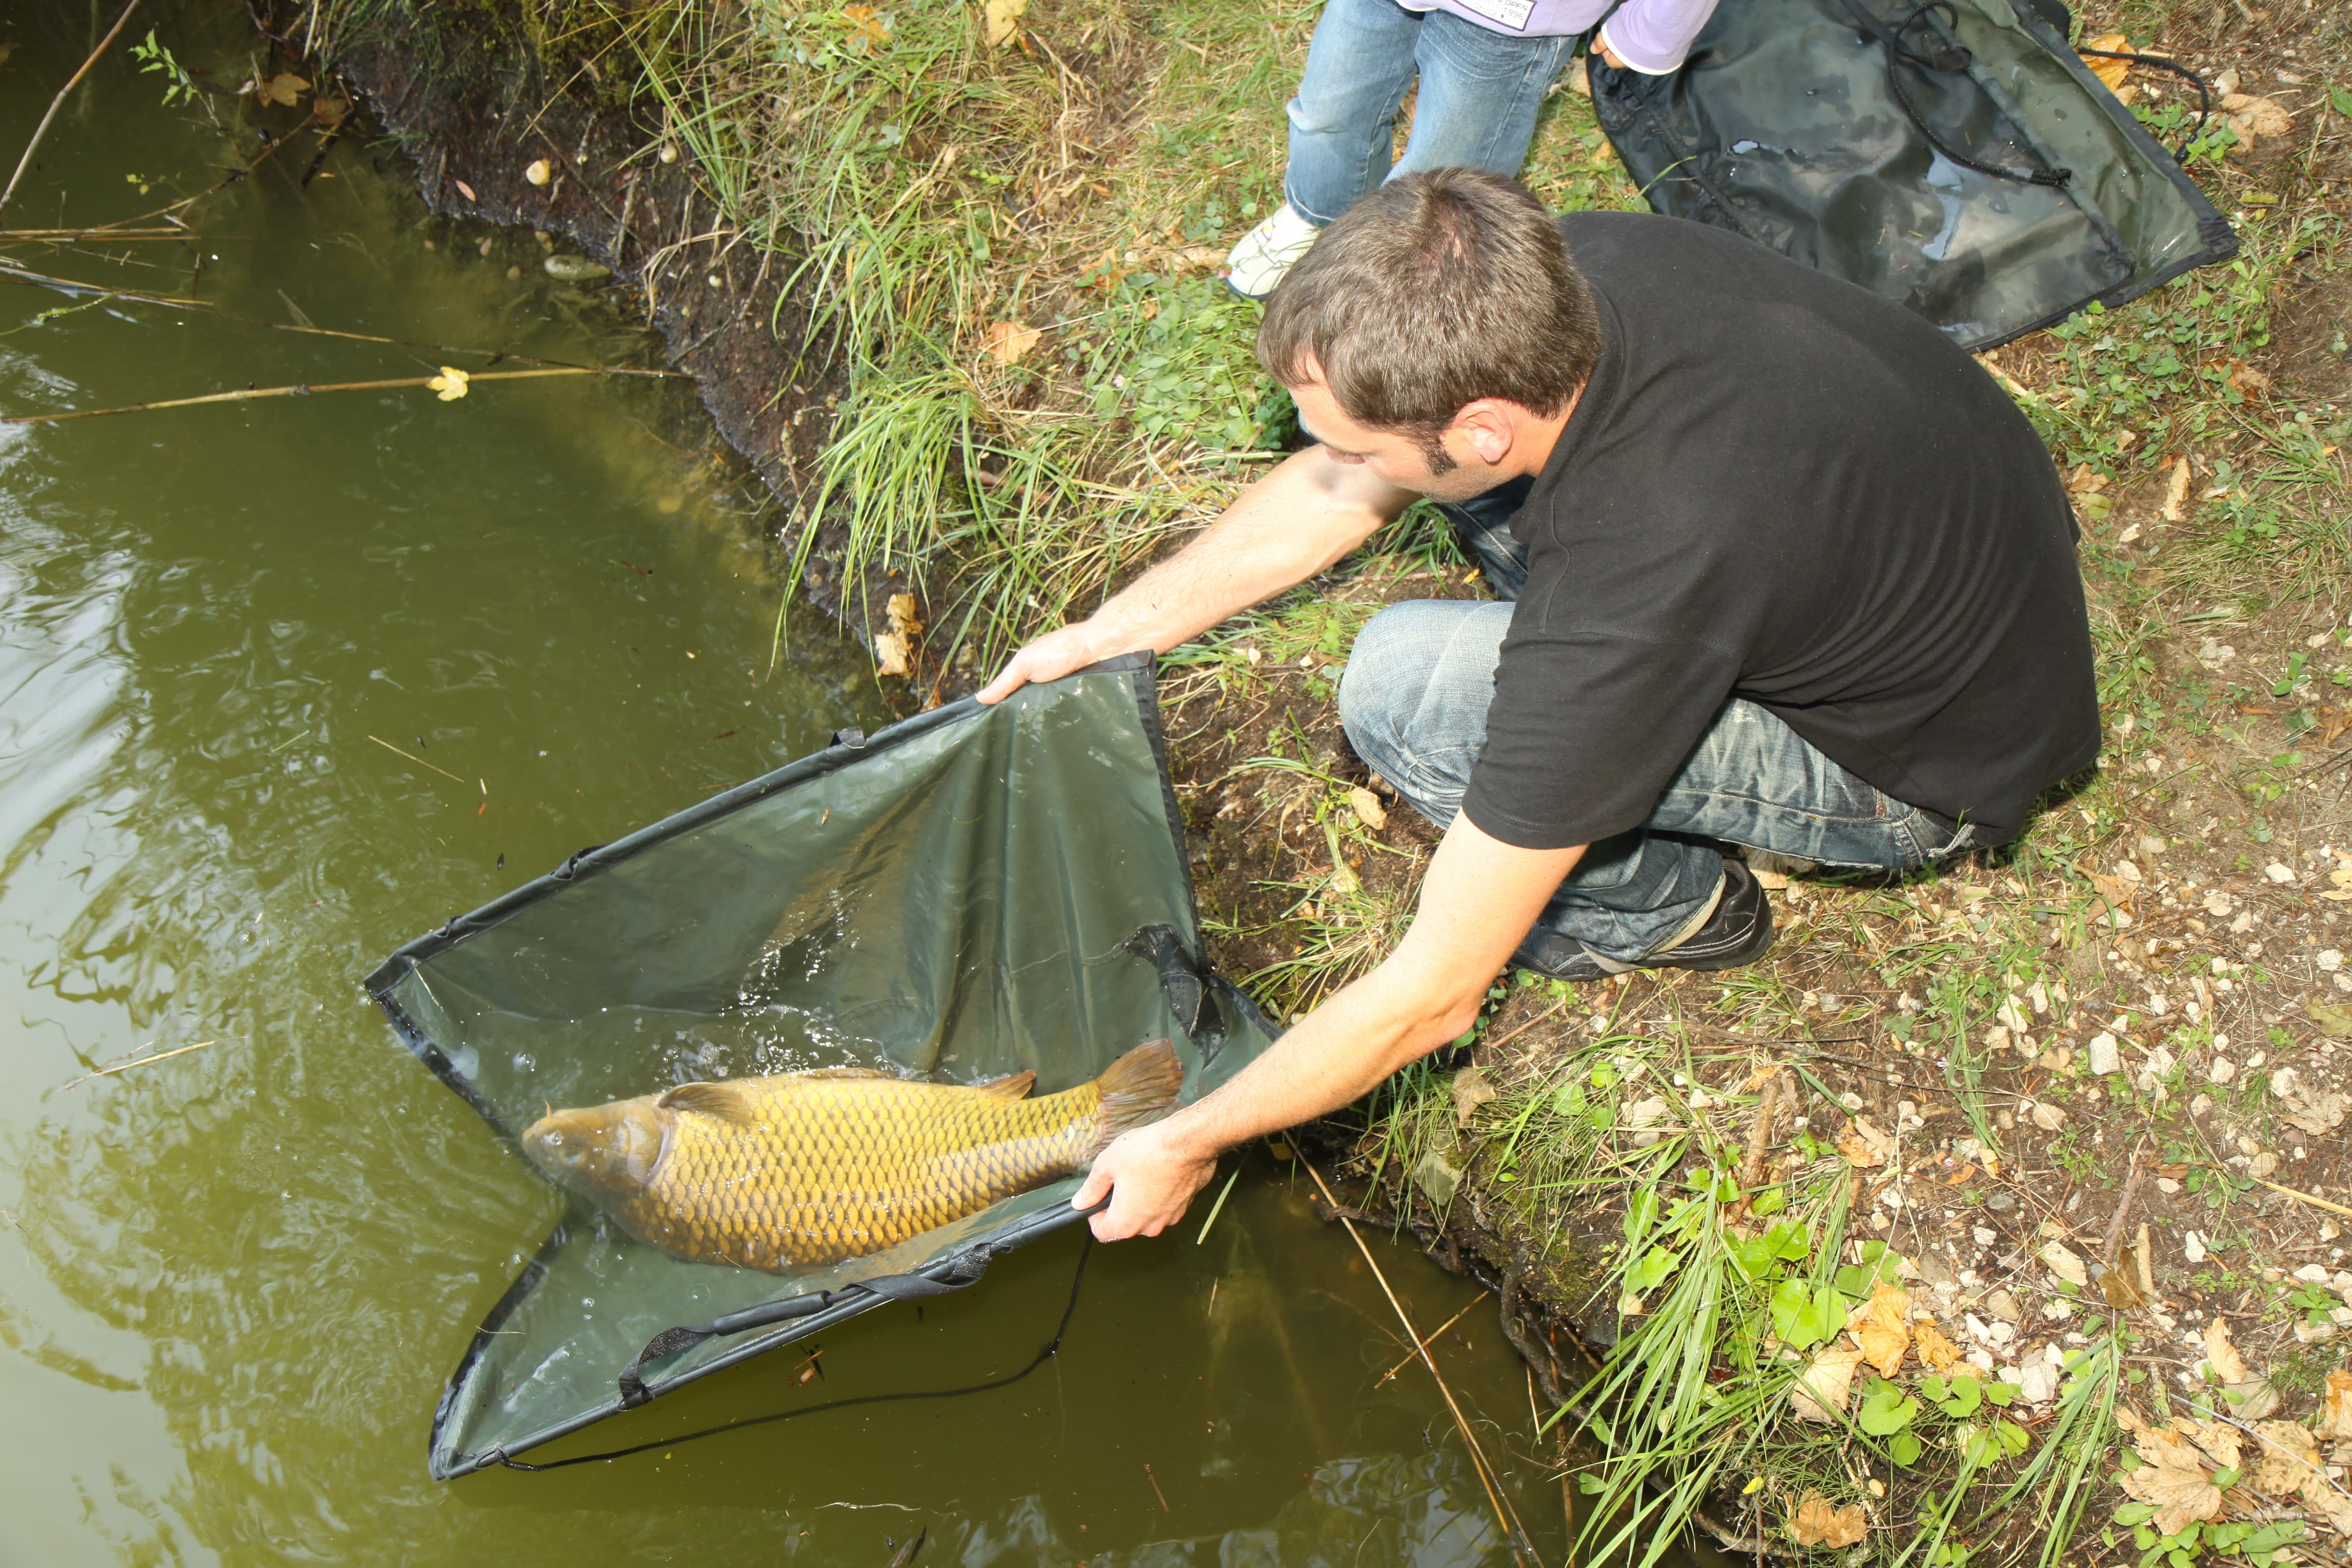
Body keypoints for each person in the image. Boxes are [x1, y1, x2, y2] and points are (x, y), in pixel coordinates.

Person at [980, 169, 2098, 1242]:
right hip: (1943, 534)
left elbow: (1433, 996)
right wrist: (1103, 633)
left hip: (1920, 763)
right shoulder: (1560, 275)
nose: (1331, 463)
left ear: (1481, 428)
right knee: (1456, 505)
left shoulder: (1643, 567)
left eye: (1348, 444)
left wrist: (1186, 1137)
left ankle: (1682, 910)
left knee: (1403, 694)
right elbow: (1346, 490)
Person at [1224, 0, 1722, 299]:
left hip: (1508, 20)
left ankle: (1382, 288)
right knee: (1329, 111)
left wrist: (1656, 25)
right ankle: (1315, 212)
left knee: (1438, 179)